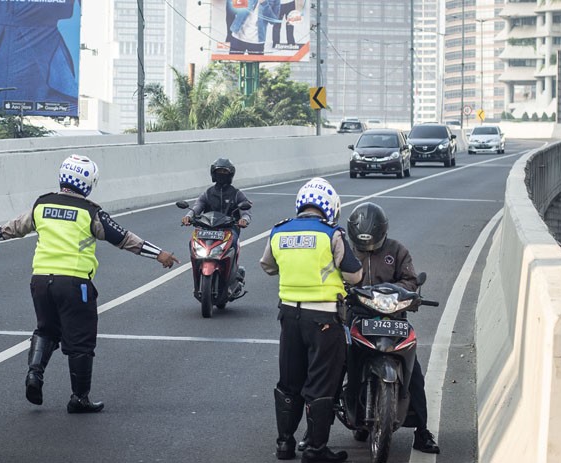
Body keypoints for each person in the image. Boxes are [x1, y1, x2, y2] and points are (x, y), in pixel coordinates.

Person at [0, 154, 179, 413]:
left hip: (40, 281)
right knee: (81, 341)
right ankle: (79, 398)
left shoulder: (42, 204)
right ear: (89, 183)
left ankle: (34, 375)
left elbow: (13, 227)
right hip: (74, 283)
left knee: (46, 329)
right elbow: (123, 238)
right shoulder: (90, 211)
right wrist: (158, 253)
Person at [260, 178, 362, 462]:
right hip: (324, 318)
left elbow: (267, 266)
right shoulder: (332, 234)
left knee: (289, 381)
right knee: (321, 382)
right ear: (329, 207)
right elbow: (355, 275)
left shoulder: (279, 231)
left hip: (289, 315)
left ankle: (284, 444)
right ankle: (316, 450)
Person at [345, 201, 440, 454]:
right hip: (356, 317)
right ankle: (314, 433)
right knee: (331, 367)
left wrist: (405, 296)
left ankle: (422, 431)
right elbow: (333, 275)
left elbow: (410, 279)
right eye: (362, 243)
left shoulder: (397, 251)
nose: (367, 248)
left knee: (415, 375)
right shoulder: (344, 249)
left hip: (393, 319)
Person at [181, 158, 252, 299]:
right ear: (213, 174)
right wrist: (188, 216)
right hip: (206, 230)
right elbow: (197, 207)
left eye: (224, 172)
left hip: (228, 230)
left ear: (230, 174)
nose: (221, 174)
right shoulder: (207, 193)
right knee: (192, 243)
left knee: (234, 243)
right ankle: (197, 274)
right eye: (219, 172)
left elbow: (246, 209)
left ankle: (233, 273)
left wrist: (244, 220)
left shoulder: (236, 193)